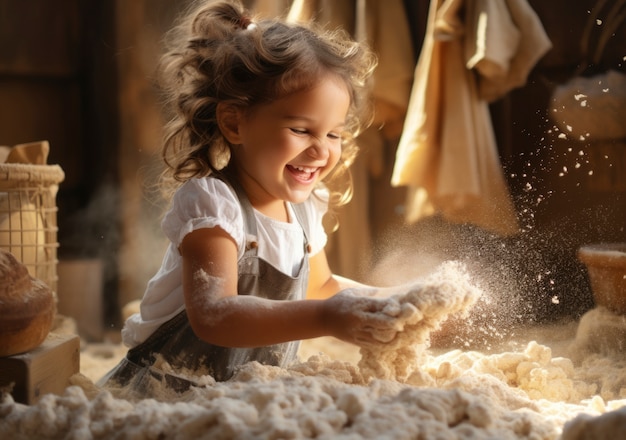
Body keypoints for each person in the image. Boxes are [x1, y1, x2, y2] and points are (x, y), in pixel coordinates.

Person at [100, 0, 413, 394]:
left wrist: (396, 301)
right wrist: (329, 319)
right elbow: (214, 315)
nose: (322, 151)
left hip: (245, 392)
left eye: (333, 134)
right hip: (171, 388)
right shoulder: (214, 205)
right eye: (301, 130)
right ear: (235, 122)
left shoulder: (304, 207)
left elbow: (322, 287)